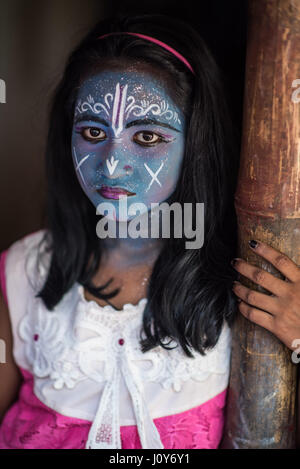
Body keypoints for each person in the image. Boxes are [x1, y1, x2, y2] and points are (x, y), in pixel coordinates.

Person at [0, 13, 240, 449]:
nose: (112, 164)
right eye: (93, 131)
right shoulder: (22, 272)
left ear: (196, 143)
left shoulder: (238, 281)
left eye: (147, 137)